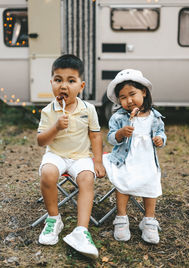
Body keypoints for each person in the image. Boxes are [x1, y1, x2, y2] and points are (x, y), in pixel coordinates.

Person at [37, 54, 105, 259]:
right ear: (51, 83)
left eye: (71, 81)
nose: (63, 86)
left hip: (81, 156)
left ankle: (81, 231)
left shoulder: (88, 109)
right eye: (58, 80)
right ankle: (53, 218)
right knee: (48, 173)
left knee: (87, 178)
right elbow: (41, 141)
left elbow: (95, 135)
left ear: (81, 86)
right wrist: (56, 127)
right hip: (56, 154)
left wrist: (98, 161)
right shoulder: (48, 111)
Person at [103, 69, 166, 244]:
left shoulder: (154, 116)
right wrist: (121, 133)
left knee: (151, 182)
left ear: (144, 92)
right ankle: (121, 218)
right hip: (126, 158)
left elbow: (161, 132)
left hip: (146, 158)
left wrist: (160, 139)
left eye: (132, 94)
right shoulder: (118, 117)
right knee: (123, 181)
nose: (129, 100)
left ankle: (149, 220)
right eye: (123, 97)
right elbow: (110, 138)